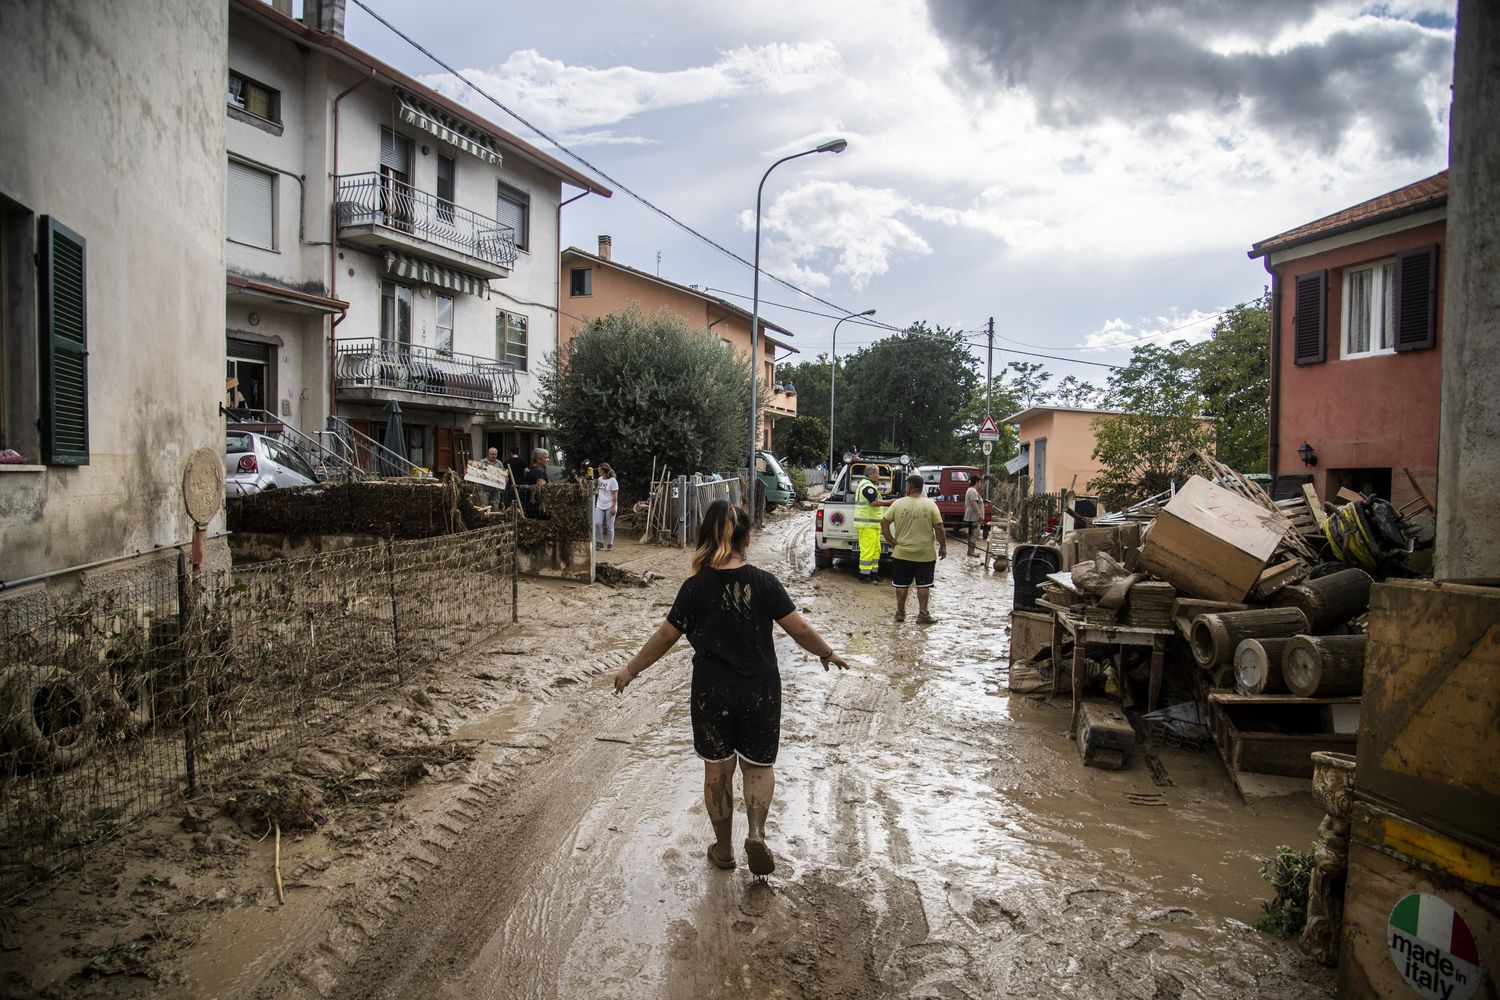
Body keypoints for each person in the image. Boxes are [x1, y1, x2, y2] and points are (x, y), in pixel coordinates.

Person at [614, 500, 849, 877]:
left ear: (705, 538)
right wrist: (827, 652)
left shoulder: (694, 588)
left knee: (717, 770)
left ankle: (723, 850)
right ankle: (755, 832)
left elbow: (665, 636)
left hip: (712, 692)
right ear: (747, 540)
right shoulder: (765, 583)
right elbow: (799, 629)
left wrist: (631, 669)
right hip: (760, 690)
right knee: (757, 766)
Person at [881, 473, 947, 624]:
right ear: (921, 487)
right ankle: (923, 614)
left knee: (901, 584)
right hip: (925, 554)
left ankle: (900, 613)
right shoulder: (930, 505)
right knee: (924, 584)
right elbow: (940, 528)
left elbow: (884, 523)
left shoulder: (897, 504)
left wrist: (891, 540)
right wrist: (943, 546)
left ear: (909, 486)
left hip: (901, 553)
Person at [852, 463, 892, 583]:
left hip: (872, 525)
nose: (879, 475)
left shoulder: (869, 485)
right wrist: (891, 502)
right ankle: (864, 575)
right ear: (870, 473)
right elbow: (874, 502)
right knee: (868, 550)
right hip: (866, 525)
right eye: (877, 473)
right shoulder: (867, 486)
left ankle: (873, 573)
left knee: (876, 549)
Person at [594, 462, 619, 550]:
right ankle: (599, 542)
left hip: (610, 505)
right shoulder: (599, 479)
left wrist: (613, 507)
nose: (598, 470)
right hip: (600, 505)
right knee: (597, 523)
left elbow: (615, 494)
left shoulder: (613, 481)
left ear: (603, 470)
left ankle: (610, 544)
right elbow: (597, 491)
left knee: (609, 525)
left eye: (599, 469)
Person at [522, 447, 549, 518]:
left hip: (529, 505)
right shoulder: (539, 472)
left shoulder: (529, 471)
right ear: (539, 459)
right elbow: (543, 490)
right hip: (538, 508)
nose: (548, 460)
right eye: (546, 458)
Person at [964, 474, 987, 556]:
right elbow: (974, 503)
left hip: (971, 516)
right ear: (977, 482)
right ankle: (971, 551)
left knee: (971, 533)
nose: (980, 484)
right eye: (980, 482)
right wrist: (980, 514)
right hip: (973, 517)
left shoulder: (970, 490)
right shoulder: (973, 491)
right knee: (974, 533)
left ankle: (970, 551)